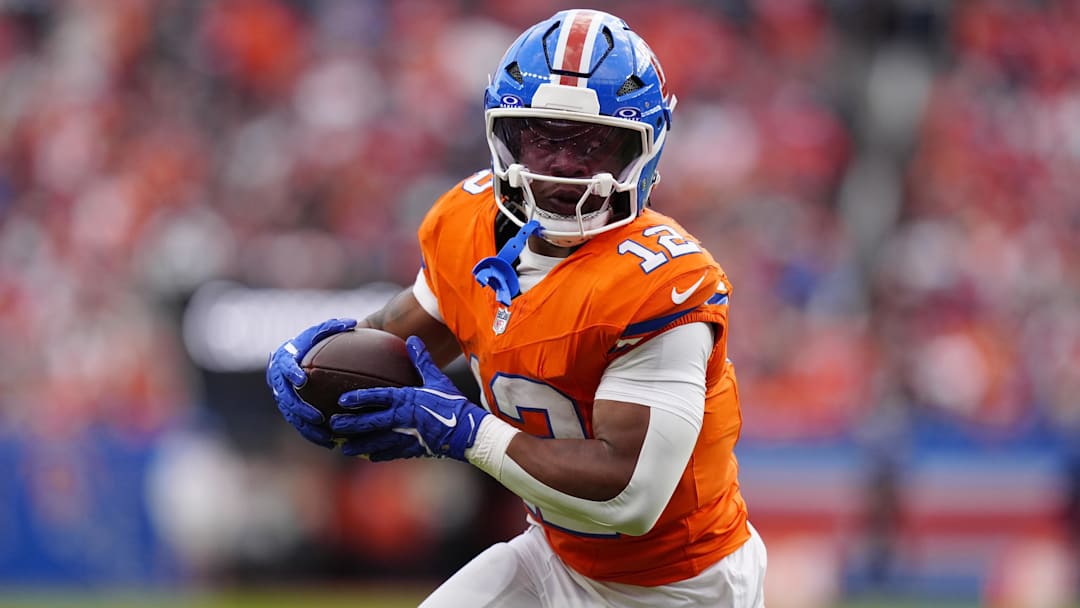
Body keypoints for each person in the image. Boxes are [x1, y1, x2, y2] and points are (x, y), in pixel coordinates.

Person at [266, 9, 766, 607]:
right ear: (503, 135)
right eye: (542, 138)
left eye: (593, 144)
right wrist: (314, 363)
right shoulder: (470, 222)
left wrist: (467, 432)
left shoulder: (663, 283)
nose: (562, 167)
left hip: (678, 585)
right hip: (553, 553)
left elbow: (630, 498)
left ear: (646, 146)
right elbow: (400, 347)